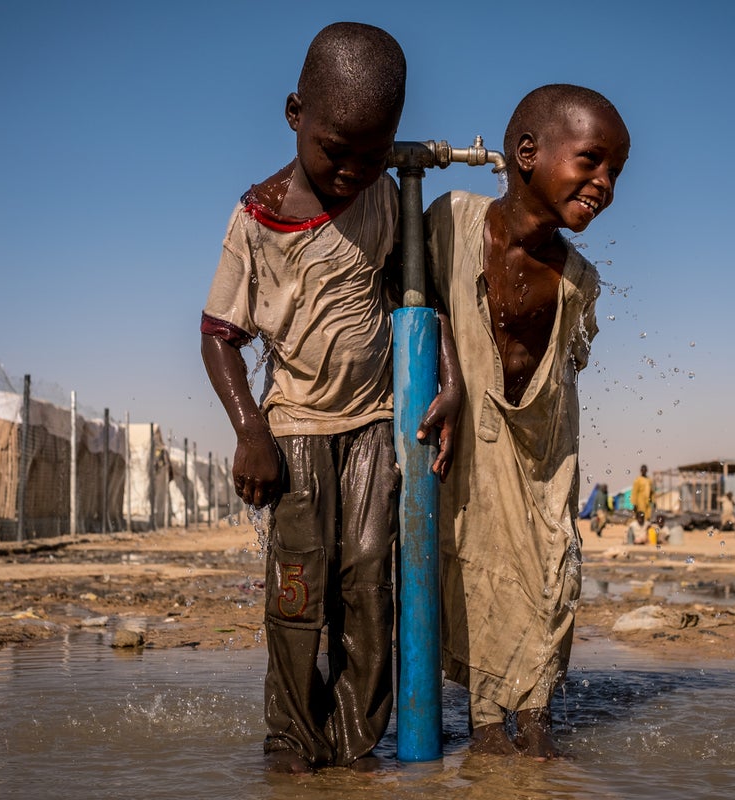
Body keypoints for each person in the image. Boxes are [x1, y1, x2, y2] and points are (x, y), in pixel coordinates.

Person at [199, 23, 459, 774]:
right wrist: (250, 431)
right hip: (297, 428)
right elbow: (220, 335)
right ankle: (290, 737)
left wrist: (452, 382)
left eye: (371, 155)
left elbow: (419, 300)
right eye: (334, 149)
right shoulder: (259, 217)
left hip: (376, 425)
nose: (350, 170)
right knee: (298, 589)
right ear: (294, 114)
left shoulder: (381, 197)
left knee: (372, 576)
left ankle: (353, 743)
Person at [425, 83, 630, 759]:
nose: (604, 184)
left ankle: (538, 723)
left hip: (544, 449)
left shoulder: (577, 279)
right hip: (469, 428)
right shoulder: (451, 222)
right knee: (476, 562)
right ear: (526, 153)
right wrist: (454, 377)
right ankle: (487, 728)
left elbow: (569, 369)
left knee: (550, 570)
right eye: (592, 162)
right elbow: (421, 302)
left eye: (614, 174)